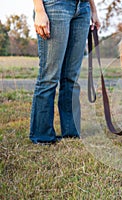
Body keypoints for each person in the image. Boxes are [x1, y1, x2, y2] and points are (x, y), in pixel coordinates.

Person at [30, 0, 100, 144]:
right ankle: (42, 136)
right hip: (55, 6)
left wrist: (93, 10)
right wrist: (39, 10)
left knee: (71, 78)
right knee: (49, 77)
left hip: (83, 8)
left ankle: (71, 133)